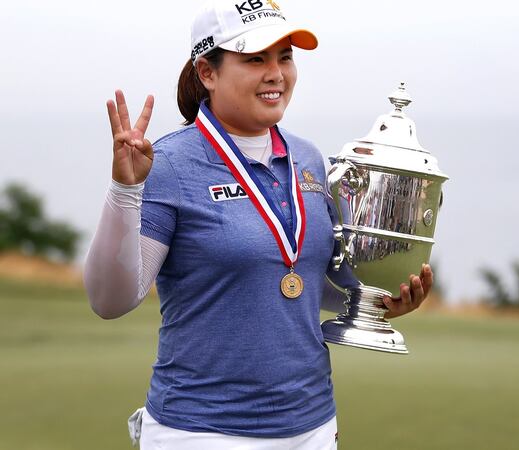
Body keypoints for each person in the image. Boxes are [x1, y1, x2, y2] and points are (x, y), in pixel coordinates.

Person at [83, 1, 434, 448]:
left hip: (311, 423)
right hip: (200, 430)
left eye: (285, 56)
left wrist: (375, 301)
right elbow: (111, 299)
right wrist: (125, 189)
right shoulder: (168, 163)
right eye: (255, 59)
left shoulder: (307, 159)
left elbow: (302, 281)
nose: (277, 73)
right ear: (207, 72)